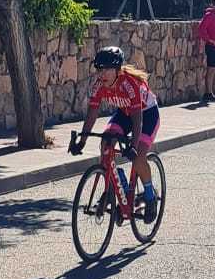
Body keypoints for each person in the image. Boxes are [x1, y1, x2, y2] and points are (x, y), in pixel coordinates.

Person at [69, 44, 160, 221]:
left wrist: (133, 145)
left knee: (139, 155)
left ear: (117, 70)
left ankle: (150, 196)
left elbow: (137, 118)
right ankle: (116, 186)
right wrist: (83, 140)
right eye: (99, 70)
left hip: (146, 115)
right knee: (106, 142)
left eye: (106, 70)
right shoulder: (99, 85)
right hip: (124, 113)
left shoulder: (129, 84)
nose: (101, 74)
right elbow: (92, 113)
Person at [195, 0, 215, 105]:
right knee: (210, 69)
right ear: (212, 5)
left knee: (212, 69)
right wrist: (210, 40)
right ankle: (208, 93)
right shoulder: (209, 15)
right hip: (212, 46)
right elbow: (201, 29)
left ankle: (209, 93)